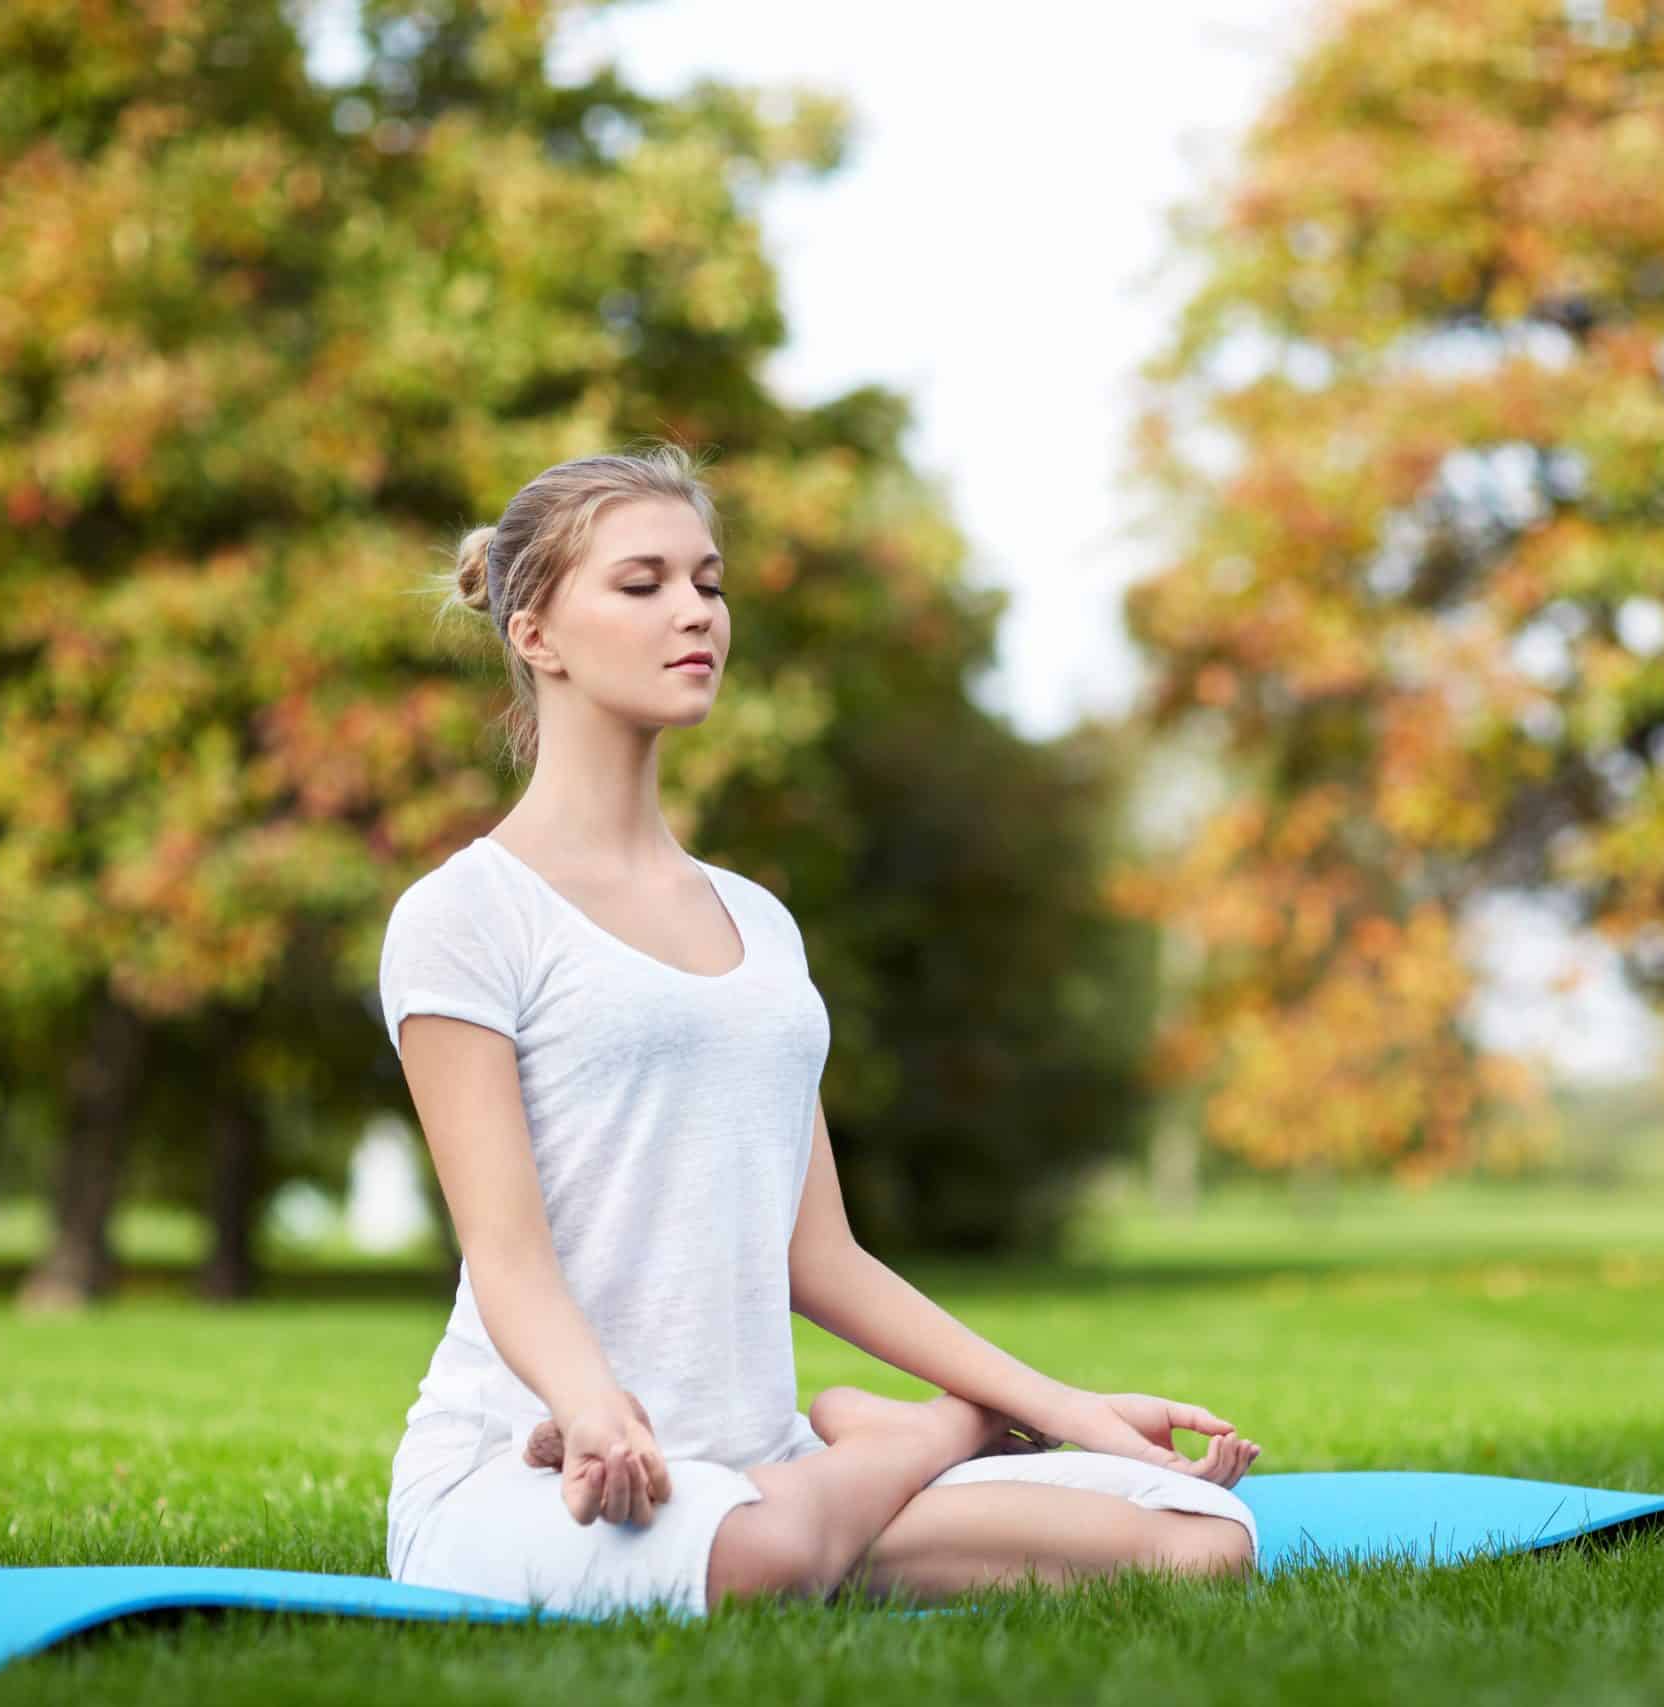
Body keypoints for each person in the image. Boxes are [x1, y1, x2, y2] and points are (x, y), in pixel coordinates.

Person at [379, 443, 1260, 1622]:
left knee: (1202, 1536)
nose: (695, 611)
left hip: (768, 1470)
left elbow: (821, 1258)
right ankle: (928, 1440)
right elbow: (507, 1254)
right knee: (758, 1561)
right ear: (534, 633)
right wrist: (592, 1406)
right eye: (642, 585)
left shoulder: (758, 924)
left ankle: (851, 1479)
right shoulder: (464, 916)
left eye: (708, 581)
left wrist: (1067, 1409)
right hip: (535, 1468)